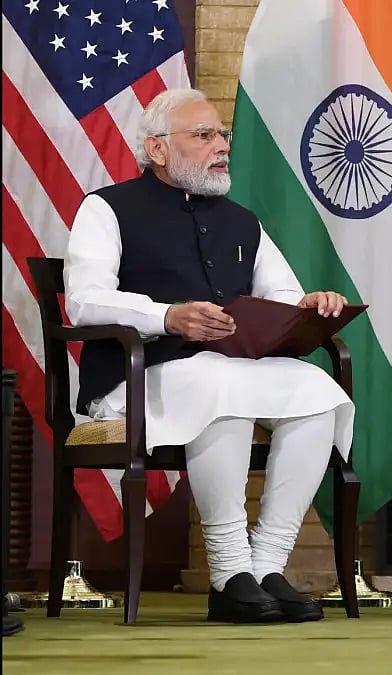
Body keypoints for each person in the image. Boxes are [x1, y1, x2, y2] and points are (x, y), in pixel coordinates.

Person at [65, 88, 356, 624]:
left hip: (225, 369)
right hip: (139, 376)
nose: (221, 145)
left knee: (319, 392)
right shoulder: (106, 208)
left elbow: (281, 295)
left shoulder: (242, 221)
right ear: (157, 148)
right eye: (204, 135)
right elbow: (84, 300)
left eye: (223, 135)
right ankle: (229, 572)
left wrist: (308, 306)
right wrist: (167, 316)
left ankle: (267, 567)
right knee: (221, 385)